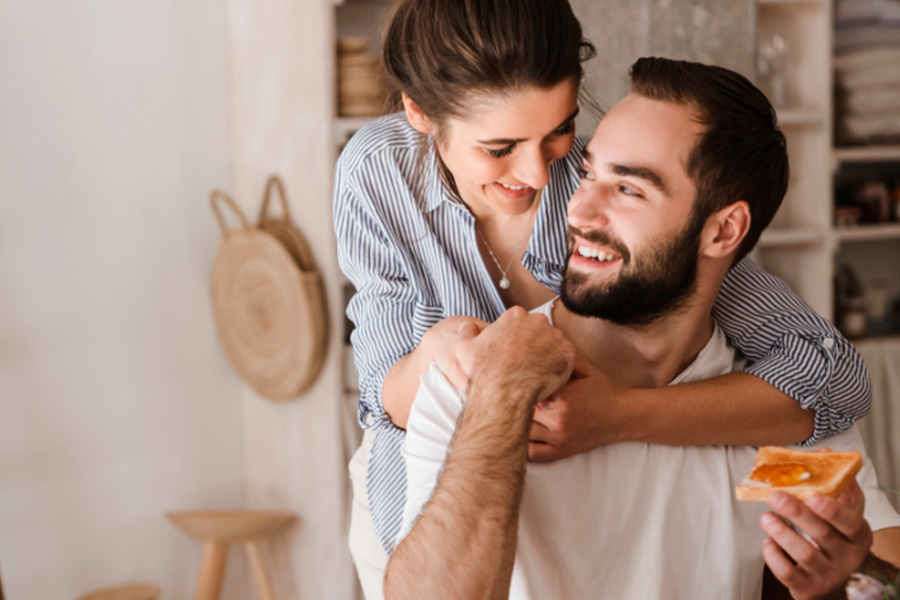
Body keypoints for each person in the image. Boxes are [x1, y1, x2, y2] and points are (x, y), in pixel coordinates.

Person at [332, 0, 872, 593]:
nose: (547, 182)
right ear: (419, 112)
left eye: (562, 133)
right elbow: (389, 404)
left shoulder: (771, 428)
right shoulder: (381, 179)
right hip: (451, 468)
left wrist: (829, 584)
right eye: (499, 147)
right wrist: (478, 379)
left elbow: (861, 549)